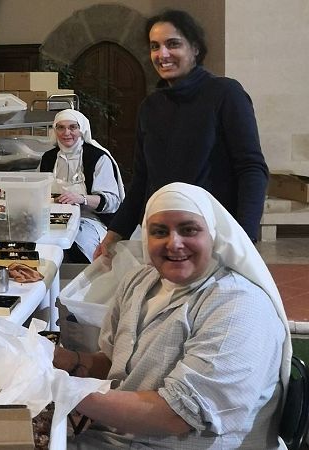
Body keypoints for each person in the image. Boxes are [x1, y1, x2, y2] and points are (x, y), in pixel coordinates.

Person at [55, 182, 291, 449]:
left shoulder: (237, 305)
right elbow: (115, 365)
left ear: (212, 234)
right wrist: (65, 361)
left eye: (189, 229)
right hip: (119, 437)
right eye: (159, 231)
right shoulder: (141, 281)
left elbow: (177, 415)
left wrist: (59, 390)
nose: (174, 243)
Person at [95, 9, 268, 259]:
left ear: (195, 48)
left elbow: (251, 168)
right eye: (155, 46)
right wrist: (114, 235)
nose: (162, 54)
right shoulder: (151, 106)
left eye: (172, 44)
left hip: (212, 237)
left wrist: (244, 238)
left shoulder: (225, 94)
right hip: (162, 236)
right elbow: (143, 179)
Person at [39, 109, 124, 263]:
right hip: (53, 218)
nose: (66, 133)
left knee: (76, 245)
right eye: (61, 127)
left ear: (82, 129)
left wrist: (81, 199)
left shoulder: (98, 158)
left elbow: (112, 202)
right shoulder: (48, 158)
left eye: (73, 127)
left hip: (91, 219)